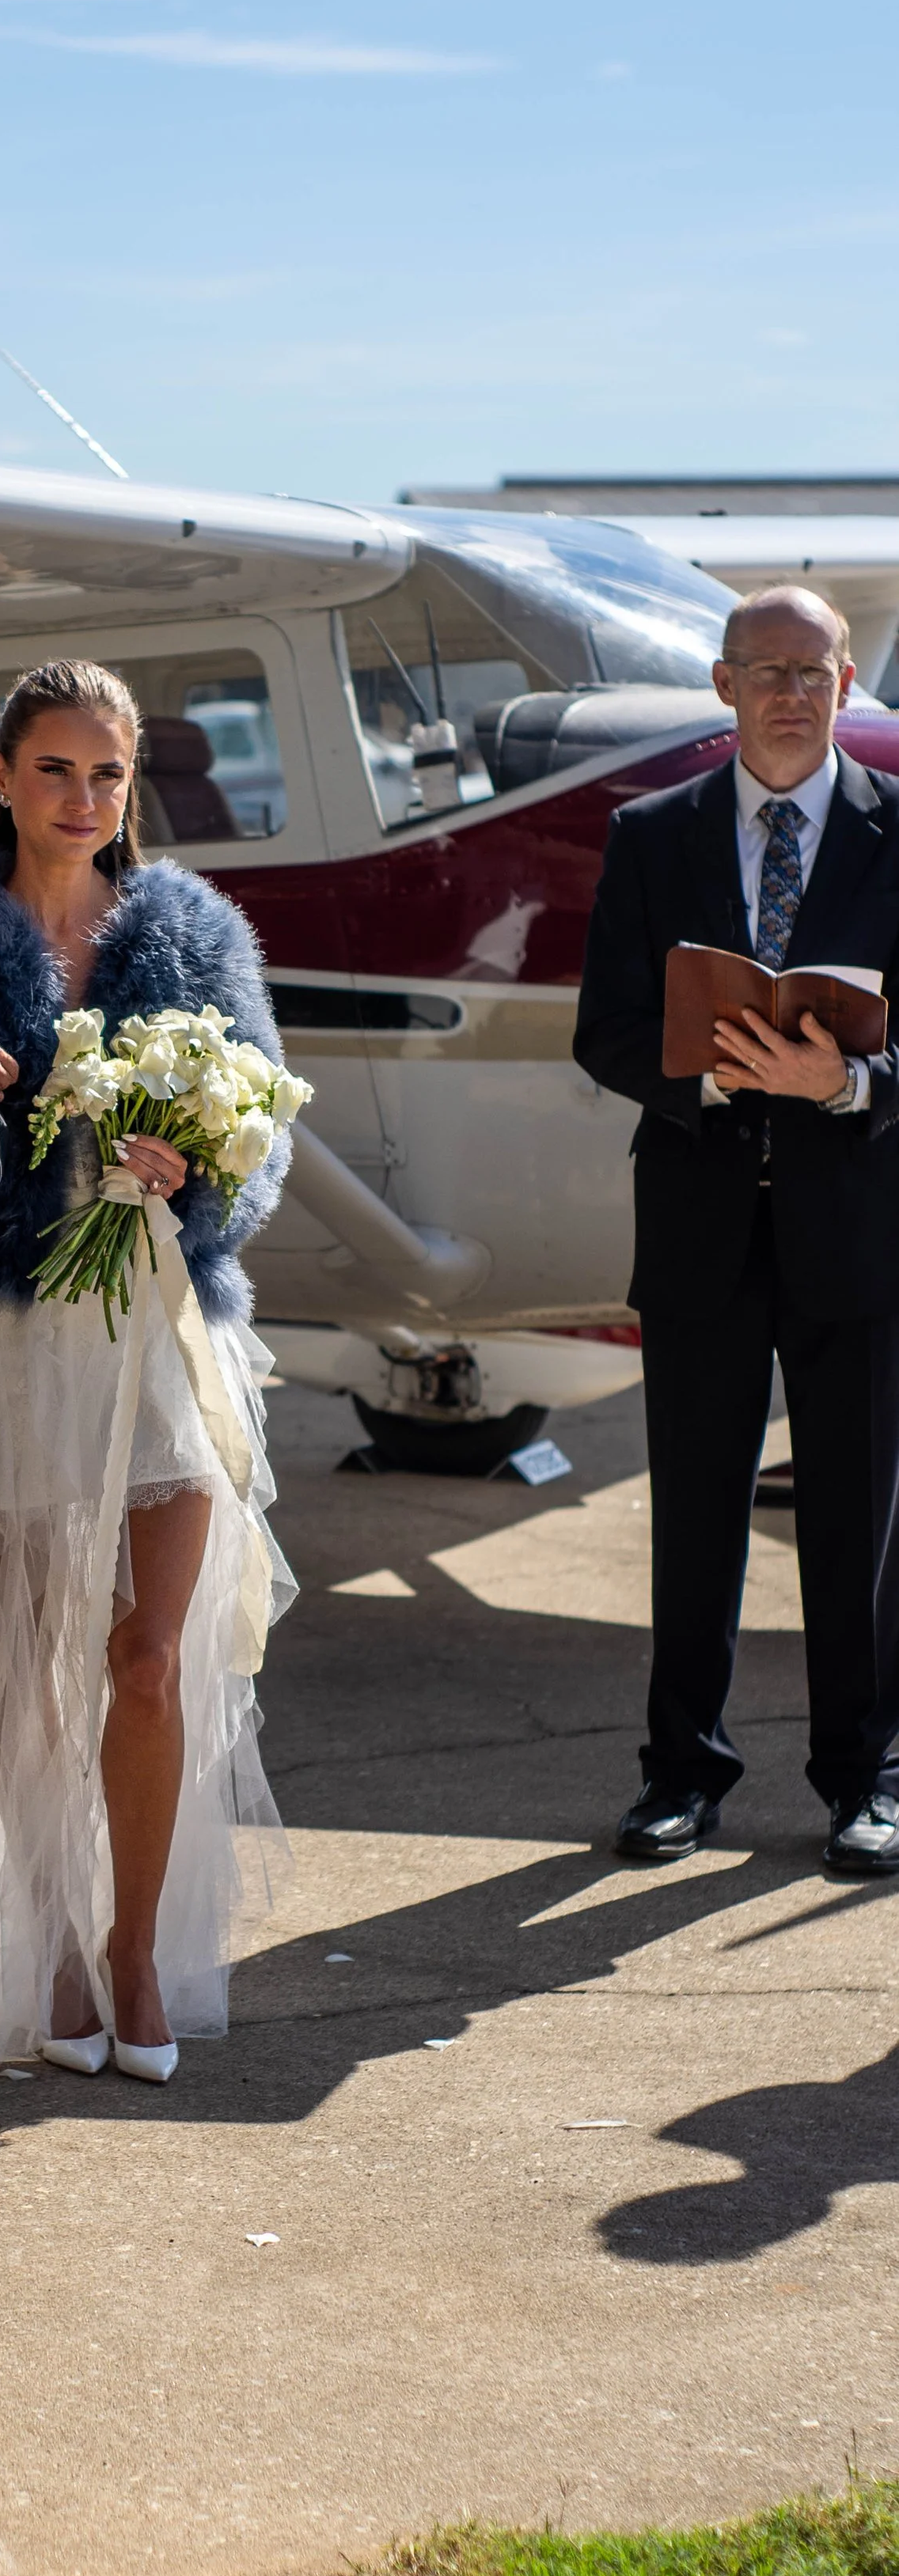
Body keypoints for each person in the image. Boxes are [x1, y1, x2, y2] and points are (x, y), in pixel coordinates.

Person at [0, 659, 295, 2089]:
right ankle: (53, 1944)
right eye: (55, 769)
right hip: (14, 1341)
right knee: (28, 1678)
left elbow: (263, 1134)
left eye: (108, 774)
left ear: (130, 786)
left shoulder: (198, 933)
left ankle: (138, 1941)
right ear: (3, 778)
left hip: (161, 1336)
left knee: (148, 1661)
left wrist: (196, 1165)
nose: (82, 800)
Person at [574, 584, 899, 1875]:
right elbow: (604, 1029)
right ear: (721, 685)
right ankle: (681, 1773)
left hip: (861, 1222)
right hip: (703, 1221)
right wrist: (713, 1072)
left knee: (861, 1522)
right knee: (695, 1515)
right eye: (765, 669)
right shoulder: (651, 836)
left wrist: (852, 1083)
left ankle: (866, 1780)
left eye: (812, 671)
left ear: (846, 684)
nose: (789, 693)